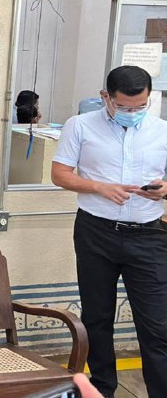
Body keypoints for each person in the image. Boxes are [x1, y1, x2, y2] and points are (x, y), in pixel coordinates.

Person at [51, 65, 167, 398]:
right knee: (97, 317)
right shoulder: (80, 125)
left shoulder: (162, 130)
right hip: (96, 232)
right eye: (125, 106)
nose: (133, 112)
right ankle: (102, 388)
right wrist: (99, 187)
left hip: (149, 235)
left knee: (157, 324)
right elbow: (60, 174)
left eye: (140, 106)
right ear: (106, 97)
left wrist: (164, 190)